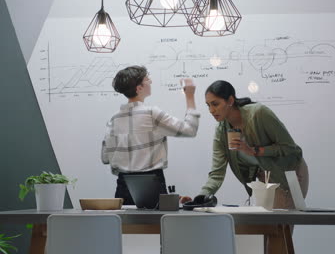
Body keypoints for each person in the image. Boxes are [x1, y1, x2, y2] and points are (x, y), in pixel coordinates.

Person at [199, 80, 309, 210]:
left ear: (230, 100)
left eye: (215, 104)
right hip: (266, 180)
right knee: (266, 227)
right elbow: (217, 173)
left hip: (290, 173)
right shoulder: (221, 131)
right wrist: (200, 198)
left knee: (280, 227)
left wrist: (254, 150)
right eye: (208, 105)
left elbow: (290, 148)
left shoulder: (259, 113)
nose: (211, 110)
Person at [101, 65, 199, 205]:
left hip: (123, 186)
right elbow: (190, 130)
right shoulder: (152, 114)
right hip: (152, 185)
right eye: (147, 79)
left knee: (126, 226)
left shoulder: (113, 119)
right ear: (139, 88)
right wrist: (190, 96)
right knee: (155, 226)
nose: (151, 81)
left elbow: (105, 158)